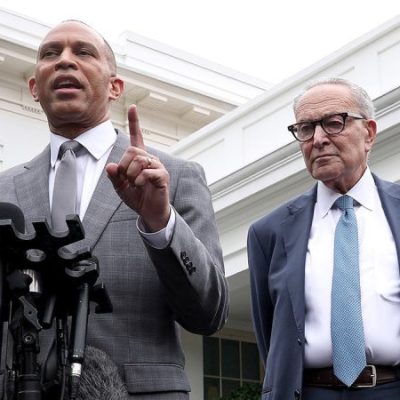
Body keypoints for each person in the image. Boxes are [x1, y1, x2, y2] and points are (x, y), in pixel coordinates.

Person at [0, 20, 228, 399]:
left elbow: (210, 314)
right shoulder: (4, 189)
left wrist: (160, 223)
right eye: (50, 53)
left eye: (83, 52)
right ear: (34, 88)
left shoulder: (174, 177)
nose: (64, 61)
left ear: (115, 87)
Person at [247, 77, 400, 400]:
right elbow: (270, 337)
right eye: (305, 128)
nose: (318, 139)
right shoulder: (268, 233)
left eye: (333, 123)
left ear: (369, 133)